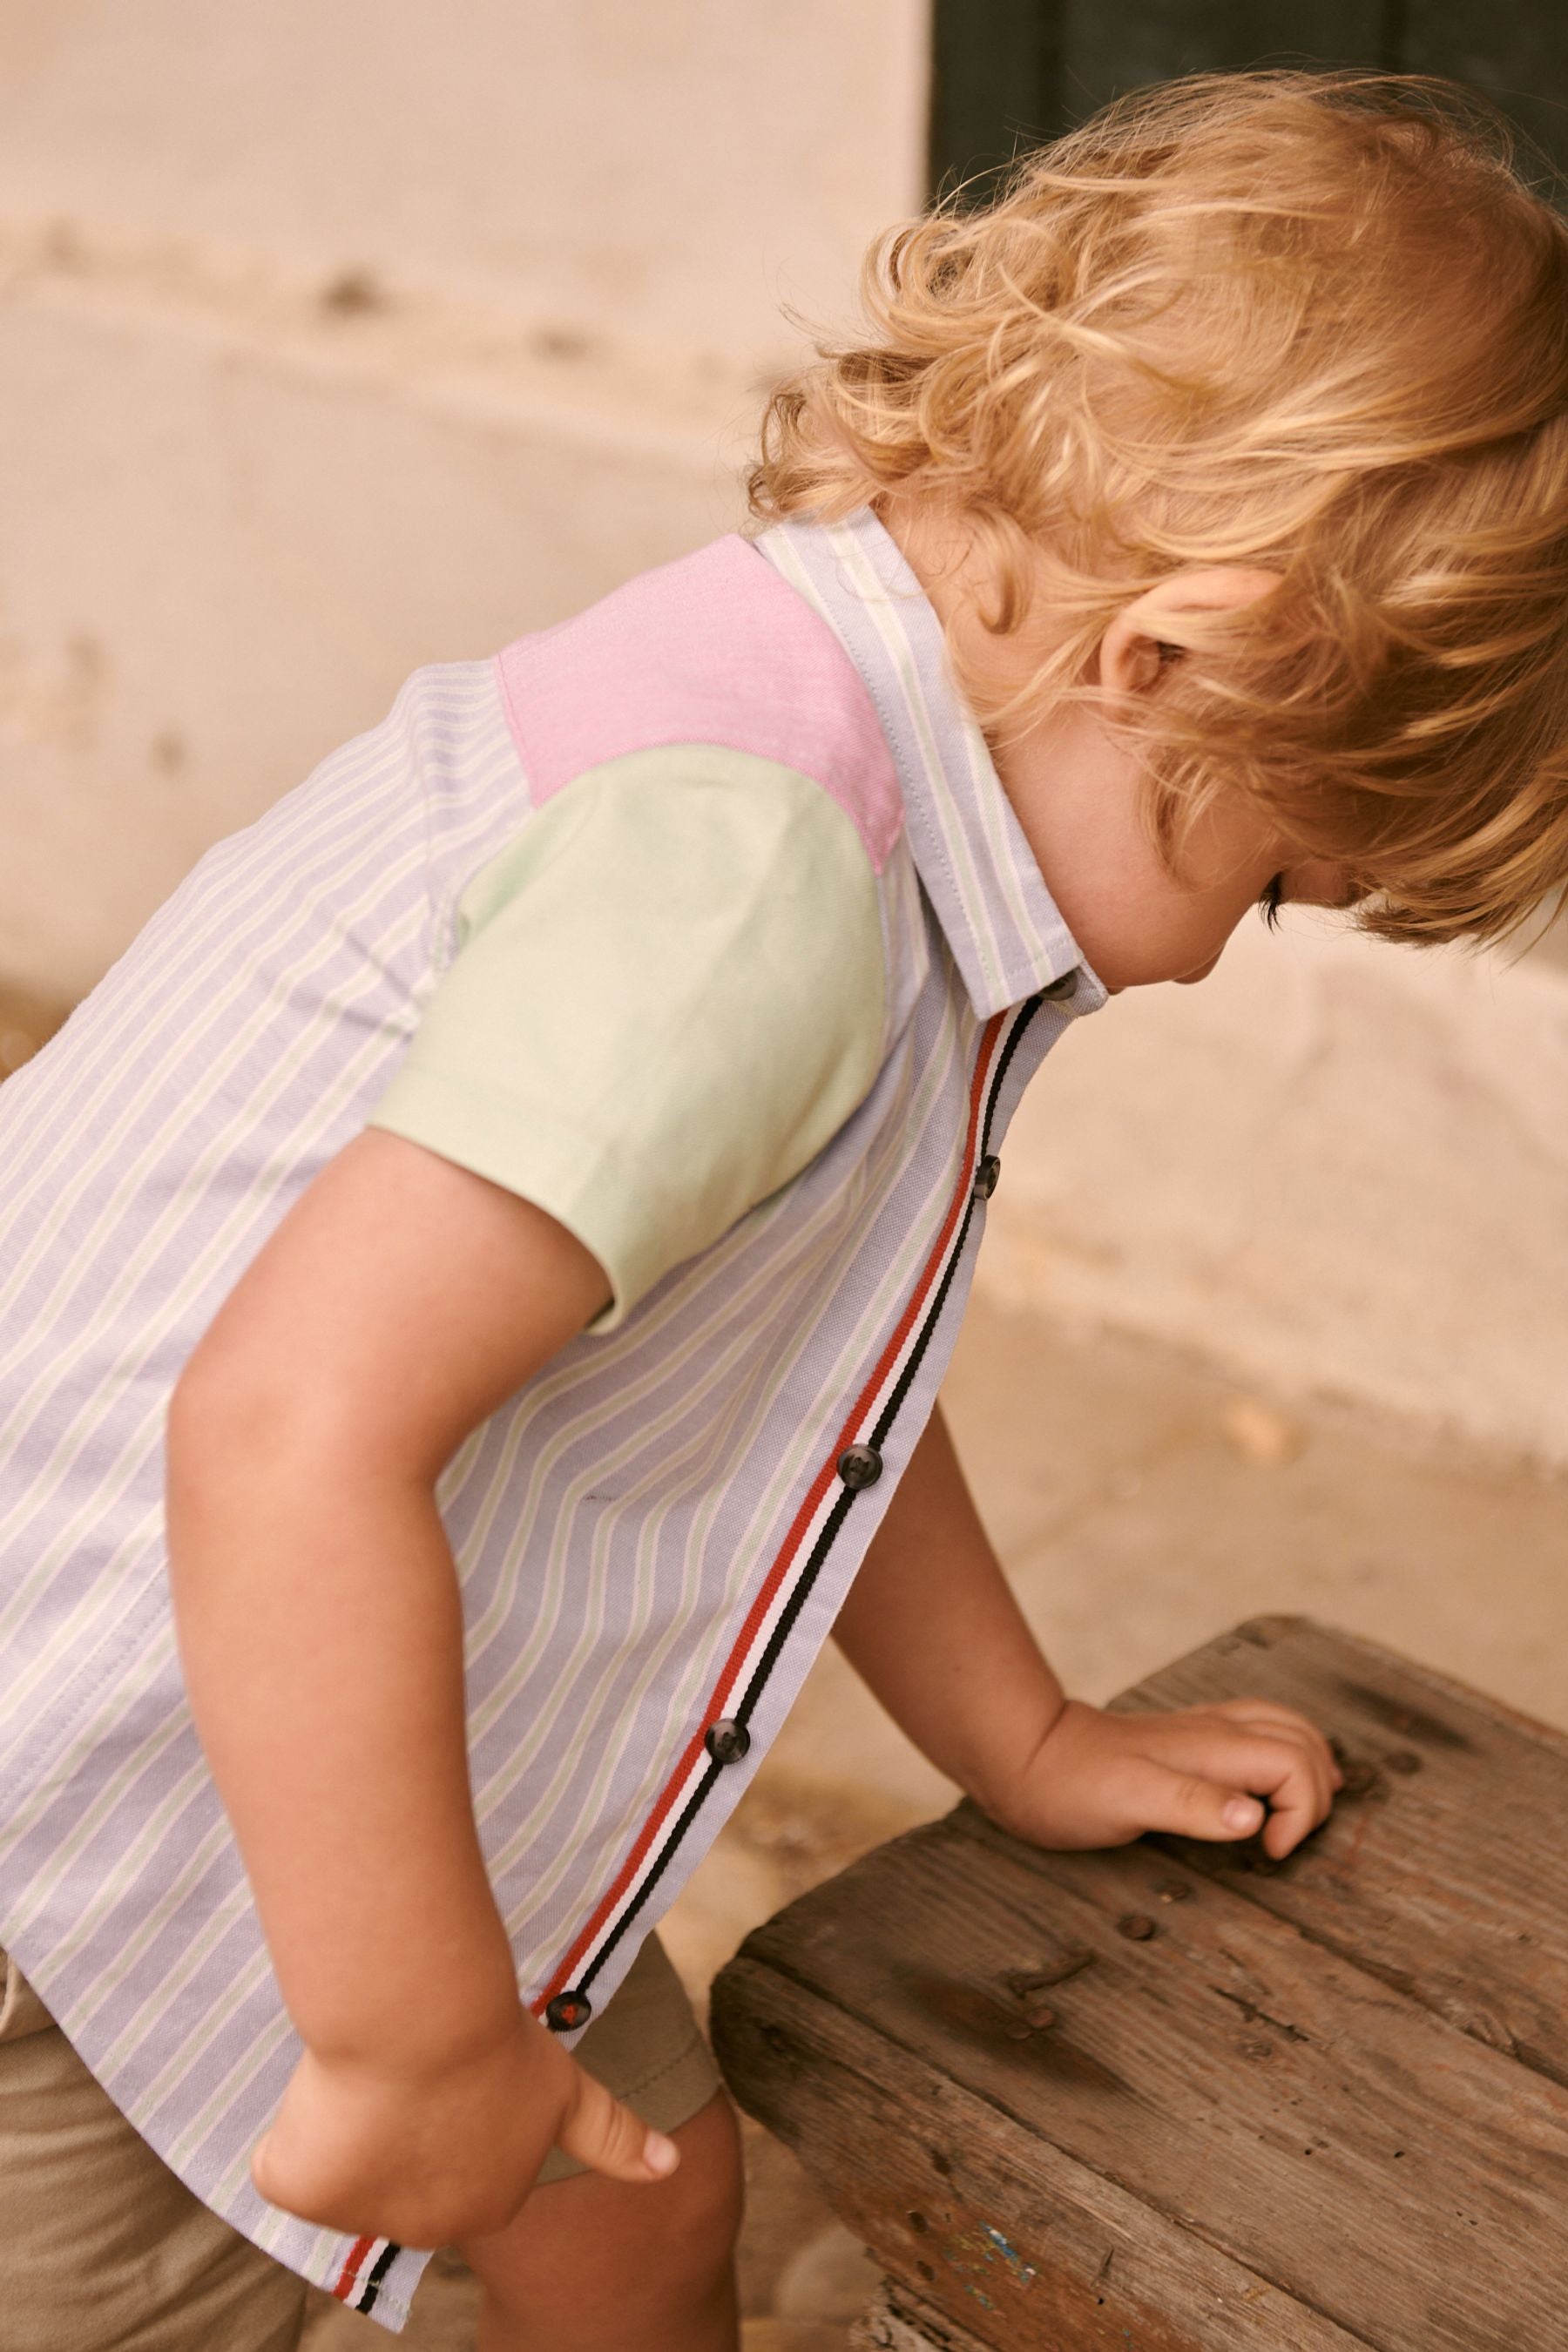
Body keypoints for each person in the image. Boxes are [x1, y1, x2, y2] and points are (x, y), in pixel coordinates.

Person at [3, 65, 1567, 2352]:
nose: (1234, 950)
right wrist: (416, 2042)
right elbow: (282, 1432)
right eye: (1272, 876)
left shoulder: (831, 726)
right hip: (99, 1813)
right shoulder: (750, 880)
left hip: (338, 1750)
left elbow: (787, 1341)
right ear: (1179, 660)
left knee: (640, 2202)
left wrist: (1019, 1731)